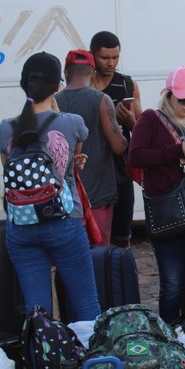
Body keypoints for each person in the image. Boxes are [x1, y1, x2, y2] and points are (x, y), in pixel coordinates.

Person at [0, 52, 100, 321]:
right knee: (86, 305)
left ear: (23, 84)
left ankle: (44, 360)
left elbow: (8, 169)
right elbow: (69, 167)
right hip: (63, 221)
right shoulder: (71, 122)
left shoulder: (6, 129)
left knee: (37, 311)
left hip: (21, 226)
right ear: (58, 86)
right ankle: (93, 361)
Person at [128, 66, 185, 324]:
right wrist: (176, 151)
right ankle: (168, 333)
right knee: (172, 282)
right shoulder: (151, 120)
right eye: (183, 99)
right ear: (168, 96)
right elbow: (135, 156)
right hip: (168, 209)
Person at [56, 49, 127, 245]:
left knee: (69, 255)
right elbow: (118, 147)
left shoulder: (54, 102)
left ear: (66, 73)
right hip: (98, 195)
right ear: (93, 73)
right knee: (98, 254)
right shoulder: (101, 100)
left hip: (64, 196)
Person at [90, 31, 142, 248]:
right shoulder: (84, 85)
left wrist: (131, 122)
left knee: (122, 238)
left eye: (115, 58)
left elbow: (144, 129)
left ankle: (120, 278)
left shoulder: (127, 84)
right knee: (95, 238)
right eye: (105, 58)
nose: (111, 63)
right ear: (93, 56)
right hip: (92, 171)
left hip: (121, 170)